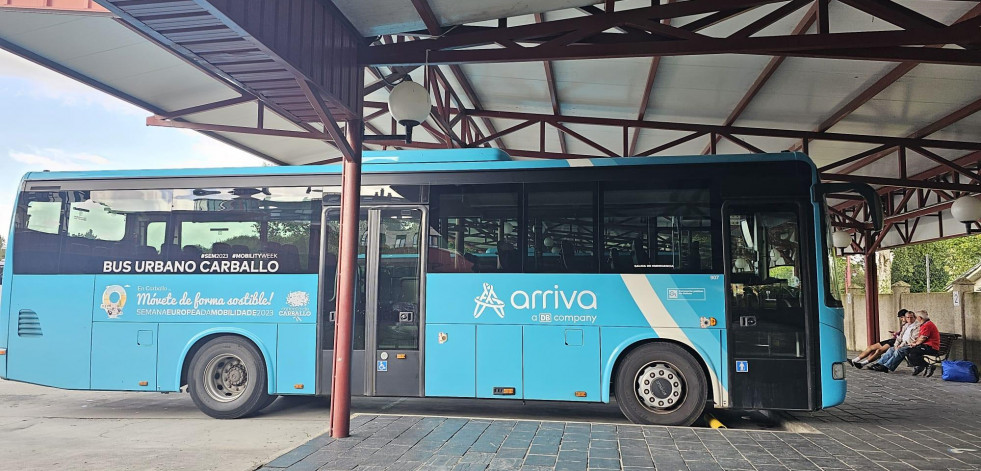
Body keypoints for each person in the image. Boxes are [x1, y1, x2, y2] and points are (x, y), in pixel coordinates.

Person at [906, 310, 941, 377]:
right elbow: (920, 337)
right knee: (908, 350)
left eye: (916, 317)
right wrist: (914, 342)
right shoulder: (925, 324)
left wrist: (915, 344)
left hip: (931, 348)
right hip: (927, 346)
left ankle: (925, 365)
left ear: (920, 318)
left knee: (911, 353)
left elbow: (923, 338)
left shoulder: (927, 325)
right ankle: (921, 366)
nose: (916, 319)